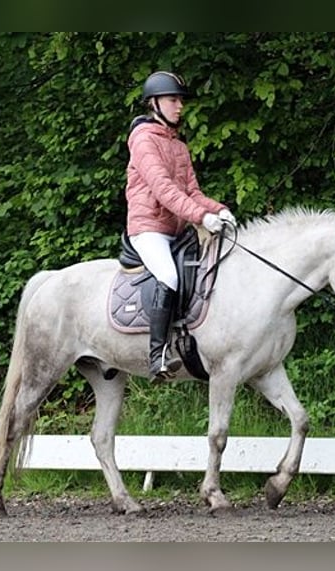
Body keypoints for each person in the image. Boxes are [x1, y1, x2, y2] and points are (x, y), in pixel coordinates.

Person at [125, 70, 236, 381]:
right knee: (169, 276)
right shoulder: (143, 140)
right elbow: (163, 189)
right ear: (155, 103)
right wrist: (201, 217)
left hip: (175, 231)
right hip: (147, 228)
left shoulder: (179, 146)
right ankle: (157, 355)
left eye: (180, 101)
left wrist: (220, 210)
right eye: (173, 100)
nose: (179, 106)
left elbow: (192, 192)